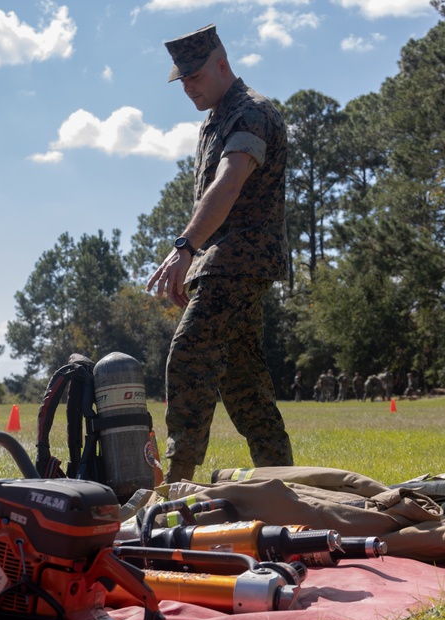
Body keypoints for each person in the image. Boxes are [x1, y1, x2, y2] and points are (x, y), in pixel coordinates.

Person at [146, 24, 292, 483]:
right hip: (223, 264)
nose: (188, 86)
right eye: (182, 79)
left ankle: (176, 483)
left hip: (241, 261)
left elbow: (228, 183)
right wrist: (194, 260)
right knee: (243, 382)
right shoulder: (215, 120)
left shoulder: (250, 113)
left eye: (195, 76)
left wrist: (185, 249)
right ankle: (285, 482)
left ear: (222, 65)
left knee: (190, 353)